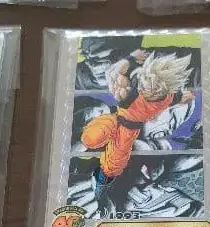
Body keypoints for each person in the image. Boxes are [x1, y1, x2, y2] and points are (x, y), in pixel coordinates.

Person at [81, 50, 195, 211]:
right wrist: (130, 58)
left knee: (113, 166)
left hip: (128, 131)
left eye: (154, 86)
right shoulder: (131, 89)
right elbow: (112, 73)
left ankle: (99, 186)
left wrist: (185, 98)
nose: (146, 87)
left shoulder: (168, 97)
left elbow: (177, 98)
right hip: (114, 120)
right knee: (90, 139)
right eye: (146, 81)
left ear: (163, 89)